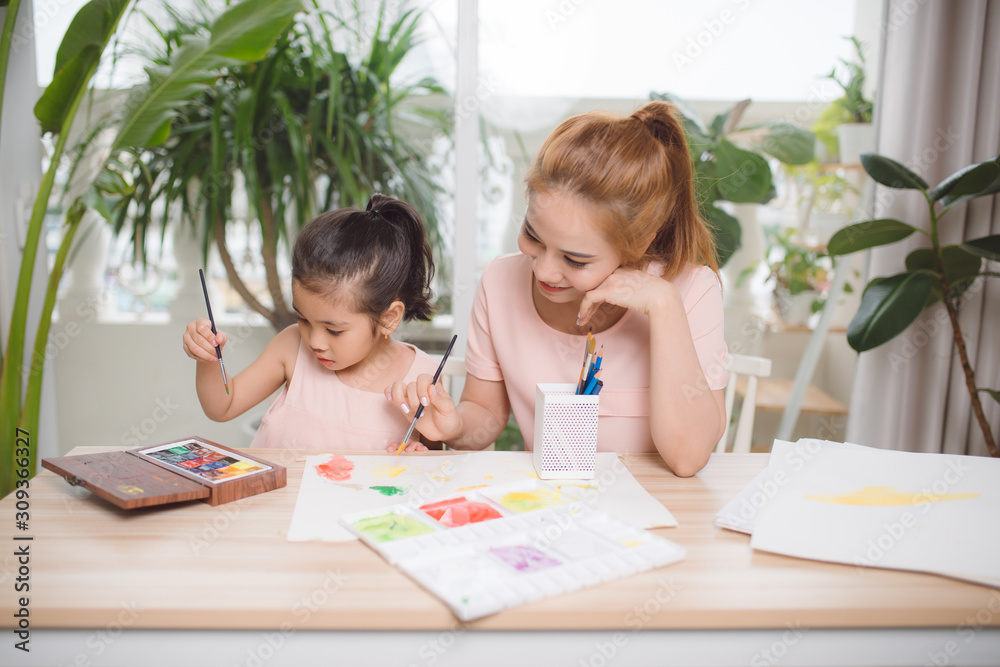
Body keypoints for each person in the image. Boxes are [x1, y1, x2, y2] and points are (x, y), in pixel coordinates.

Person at [386, 101, 729, 476]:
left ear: (639, 243)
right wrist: (454, 426)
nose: (544, 270)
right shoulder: (501, 282)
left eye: (576, 259)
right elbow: (485, 415)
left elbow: (688, 458)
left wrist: (665, 307)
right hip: (554, 509)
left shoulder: (692, 290)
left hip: (662, 514)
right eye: (532, 235)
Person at [183, 194, 442, 450]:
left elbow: (434, 456)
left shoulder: (421, 379)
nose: (314, 342)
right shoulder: (290, 347)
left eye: (333, 330)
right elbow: (223, 406)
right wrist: (207, 359)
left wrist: (421, 458)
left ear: (388, 318)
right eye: (303, 319)